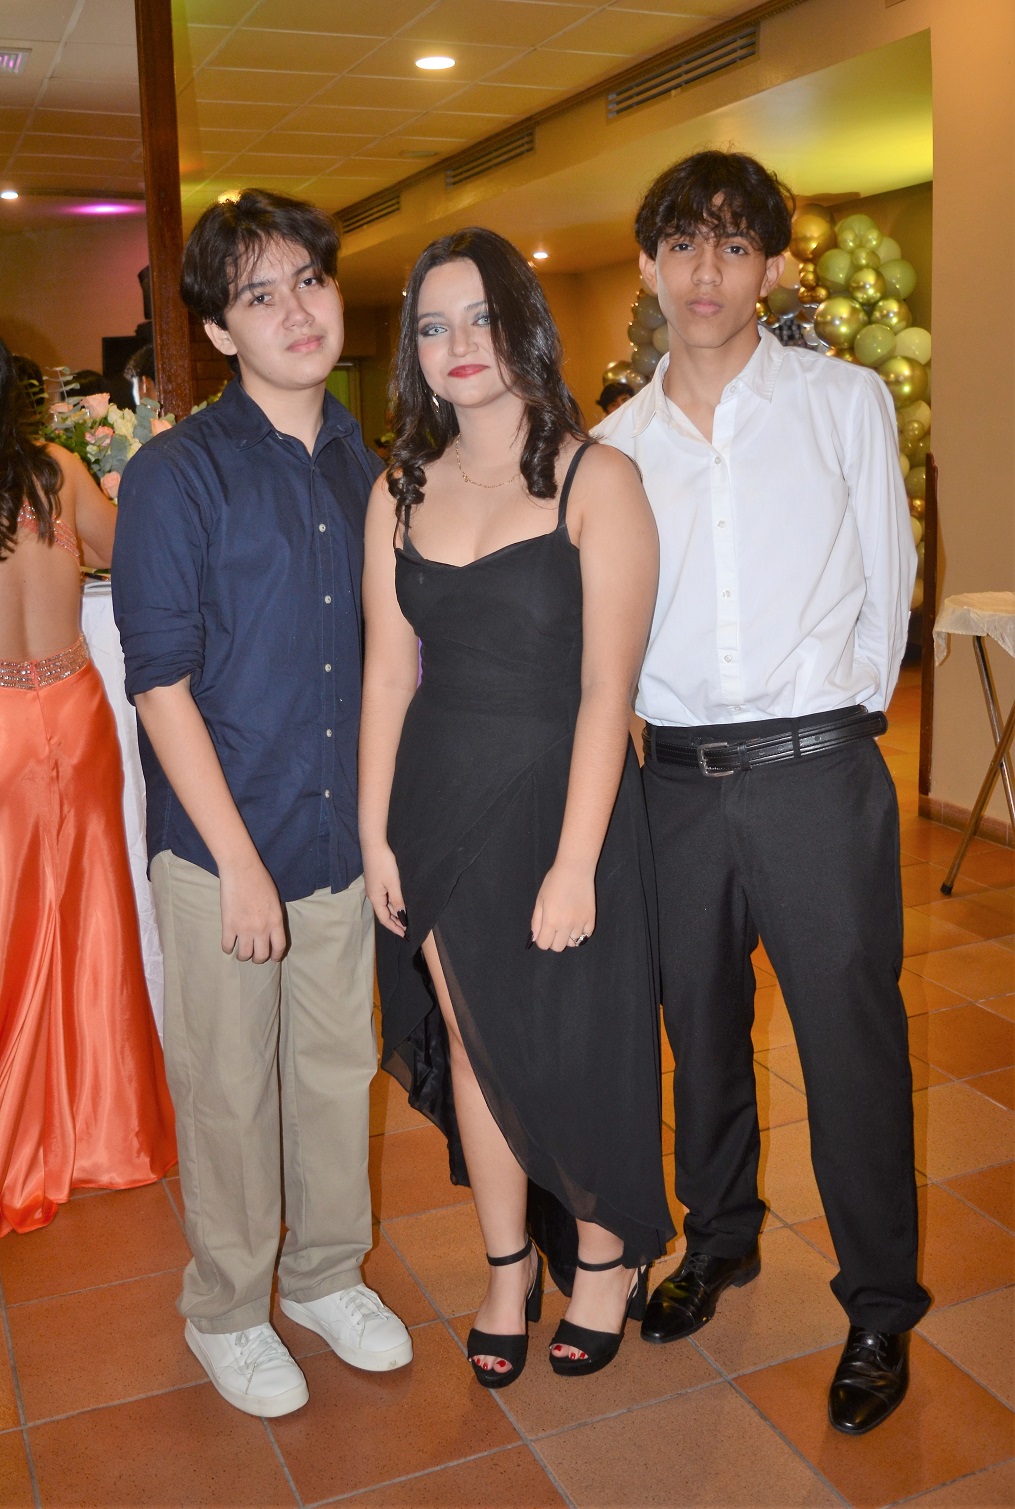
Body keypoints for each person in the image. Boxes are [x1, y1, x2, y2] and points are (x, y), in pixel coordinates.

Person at [595, 150, 930, 1436]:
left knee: (851, 1046)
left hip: (813, 773)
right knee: (698, 1032)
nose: (706, 272)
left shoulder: (841, 401)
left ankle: (879, 1304)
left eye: (735, 246)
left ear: (772, 268)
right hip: (674, 783)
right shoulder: (614, 447)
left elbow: (887, 577)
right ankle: (720, 1237)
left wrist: (830, 723)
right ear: (647, 264)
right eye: (683, 244)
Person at [112, 189, 412, 1419]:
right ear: (218, 330)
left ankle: (326, 1274)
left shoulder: (368, 466)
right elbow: (159, 683)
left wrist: (379, 831)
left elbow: (387, 662)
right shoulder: (177, 474)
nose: (294, 310)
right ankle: (228, 1309)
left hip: (333, 835)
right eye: (258, 293)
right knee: (231, 1091)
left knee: (336, 1073)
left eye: (310, 281)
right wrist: (237, 863)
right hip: (222, 849)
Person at [360, 226, 674, 1390]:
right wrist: (373, 832)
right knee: (475, 1046)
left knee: (580, 1042)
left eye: (480, 318)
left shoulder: (600, 479)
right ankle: (506, 1270)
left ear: (523, 327)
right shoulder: (398, 488)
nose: (457, 344)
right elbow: (386, 676)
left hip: (562, 803)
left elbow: (606, 690)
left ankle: (602, 1255)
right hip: (438, 809)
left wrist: (576, 861)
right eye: (432, 327)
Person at [0, 336, 175, 1237]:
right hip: (73, 706)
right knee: (93, 915)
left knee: (12, 926)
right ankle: (110, 1128)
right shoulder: (59, 473)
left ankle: (22, 1134)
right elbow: (125, 548)